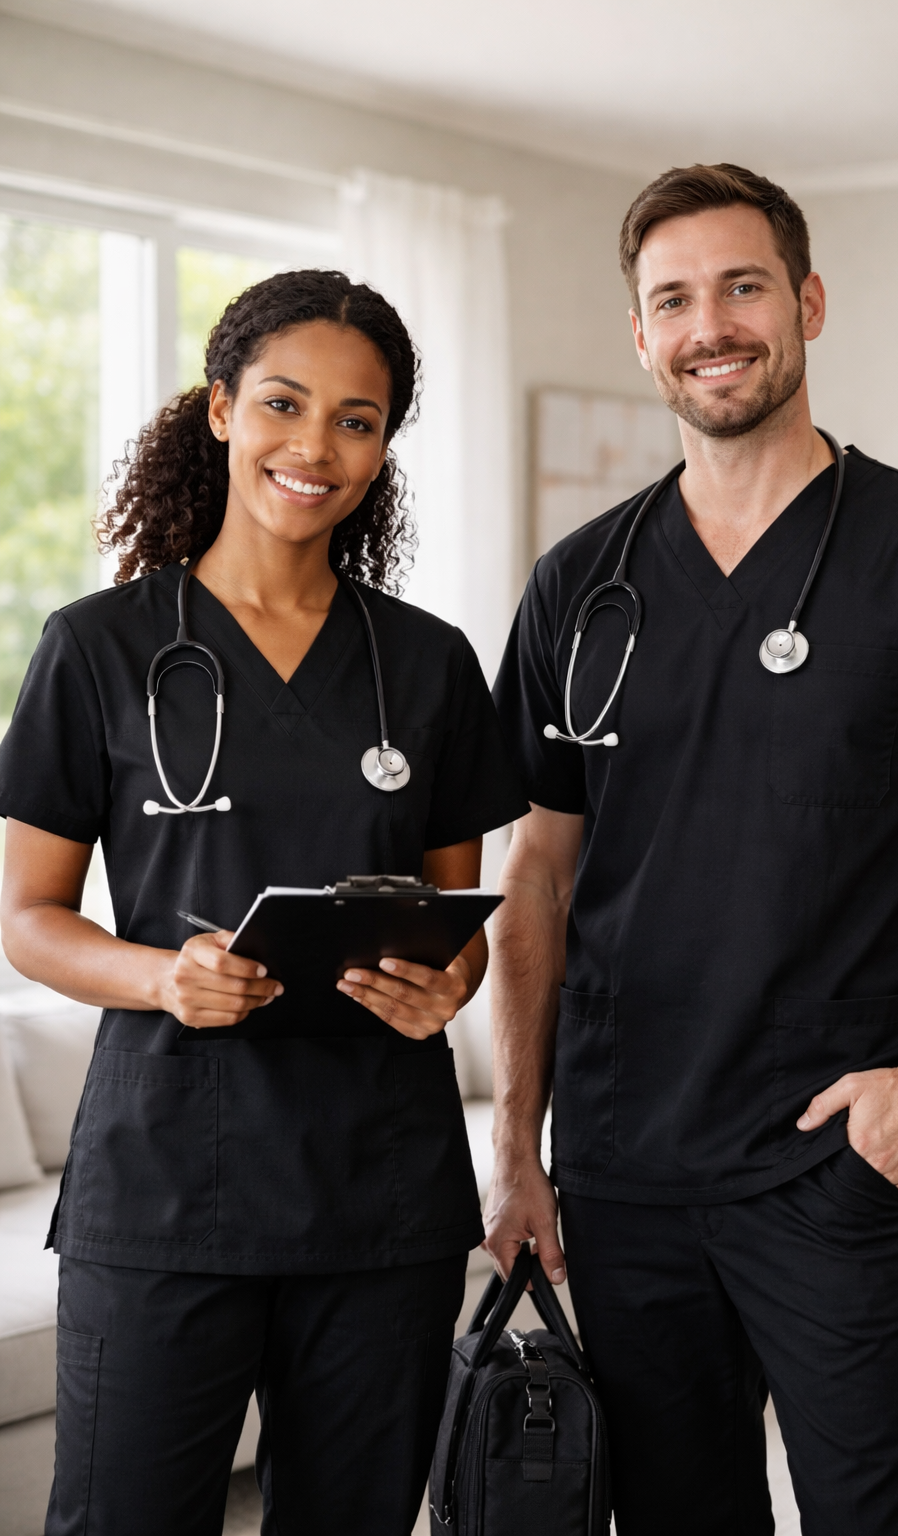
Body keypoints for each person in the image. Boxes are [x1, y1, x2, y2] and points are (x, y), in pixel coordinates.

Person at [484, 163, 898, 1535]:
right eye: (673, 299)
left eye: (741, 286)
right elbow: (538, 870)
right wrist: (521, 1148)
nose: (709, 323)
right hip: (623, 1163)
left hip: (834, 1159)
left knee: (877, 1519)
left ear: (809, 303)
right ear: (640, 333)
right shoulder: (579, 585)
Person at [0, 268, 527, 1536]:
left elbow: (459, 918)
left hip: (382, 1192)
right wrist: (159, 975)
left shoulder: (427, 663)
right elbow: (26, 916)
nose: (316, 446)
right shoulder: (98, 647)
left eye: (357, 419)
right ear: (222, 408)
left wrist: (438, 986)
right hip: (168, 1185)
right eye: (285, 404)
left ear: (384, 446)